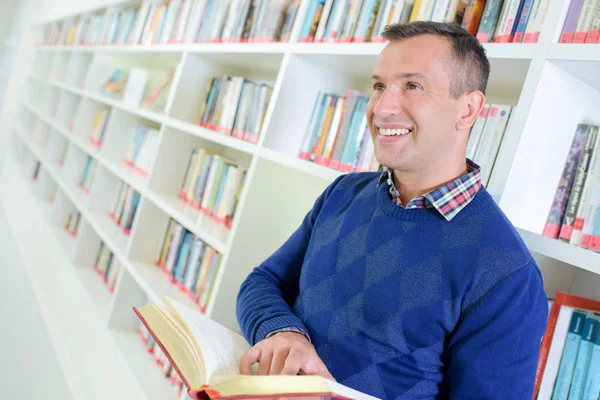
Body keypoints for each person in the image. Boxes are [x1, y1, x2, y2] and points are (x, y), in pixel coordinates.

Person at [236, 21, 548, 399]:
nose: (382, 108)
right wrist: (284, 334)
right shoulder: (344, 192)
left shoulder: (507, 274)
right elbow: (262, 282)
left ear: (467, 110)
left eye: (412, 86)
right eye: (379, 86)